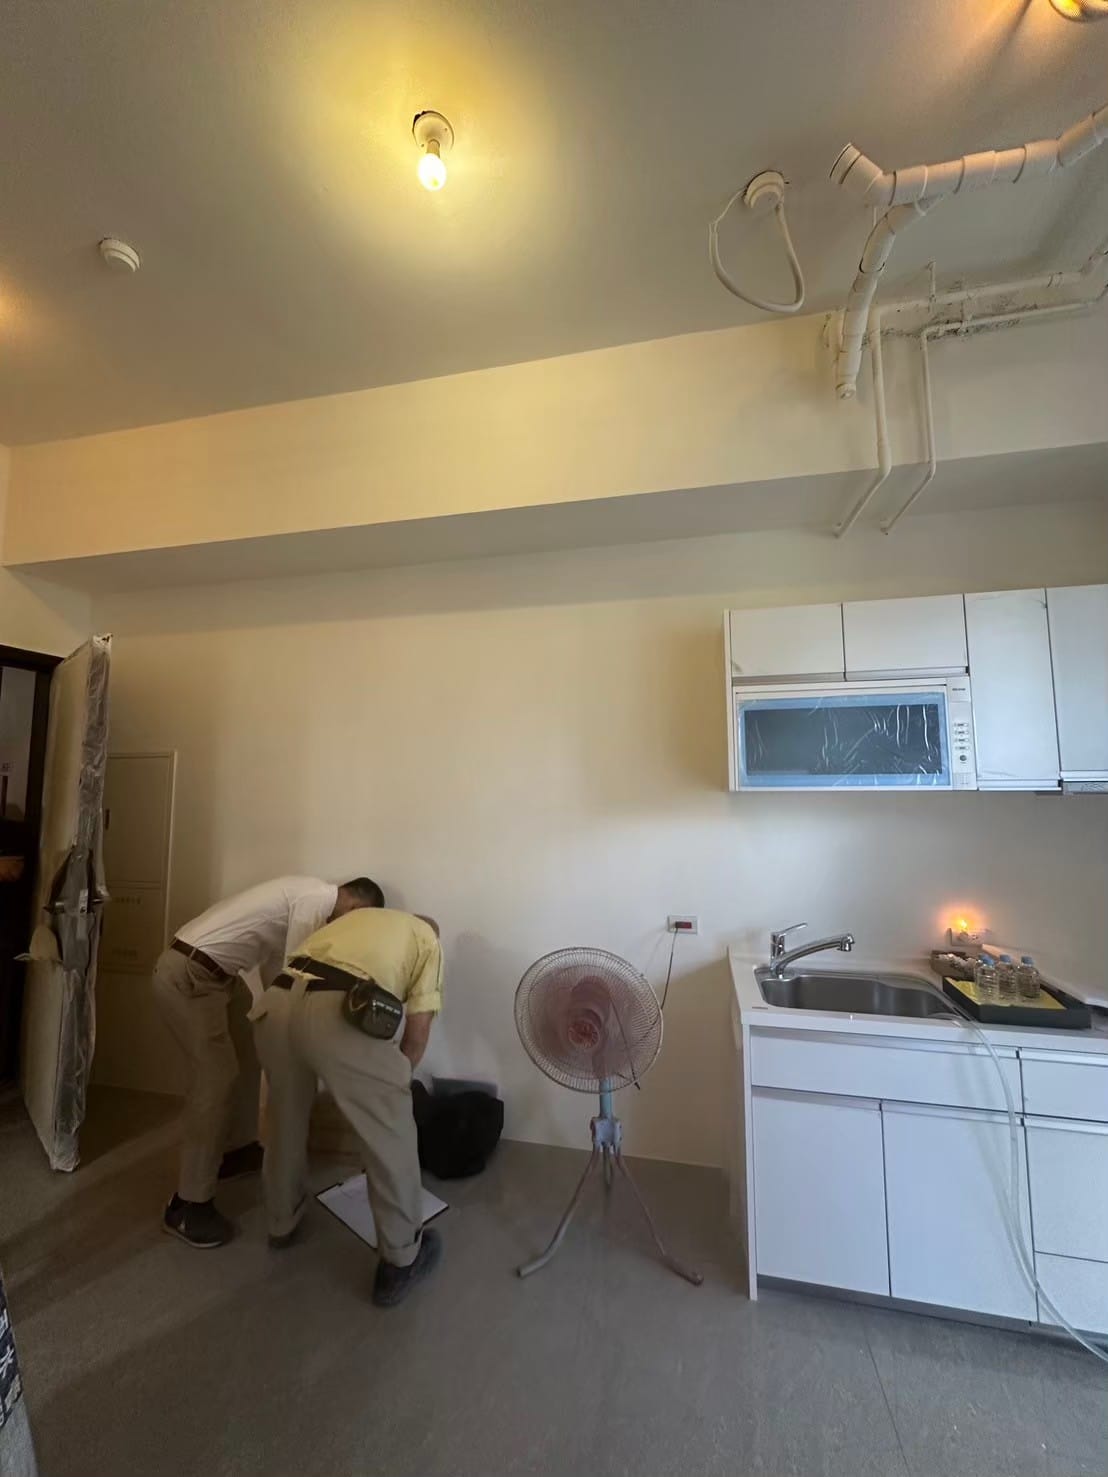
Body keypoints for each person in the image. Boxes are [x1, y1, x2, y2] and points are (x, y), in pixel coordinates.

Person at [153, 874, 384, 1248]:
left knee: (251, 1049)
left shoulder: (304, 902)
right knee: (216, 1079)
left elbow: (275, 971)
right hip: (190, 974)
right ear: (355, 906)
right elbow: (300, 970)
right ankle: (187, 1205)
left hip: (221, 977)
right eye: (359, 921)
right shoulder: (316, 899)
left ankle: (237, 1149)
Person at [253, 907, 443, 1307]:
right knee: (391, 1134)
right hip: (339, 1008)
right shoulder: (427, 938)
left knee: (285, 1118)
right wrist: (392, 1089)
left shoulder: (359, 922)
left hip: (276, 1002)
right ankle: (402, 1259)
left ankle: (281, 1222)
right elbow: (417, 1033)